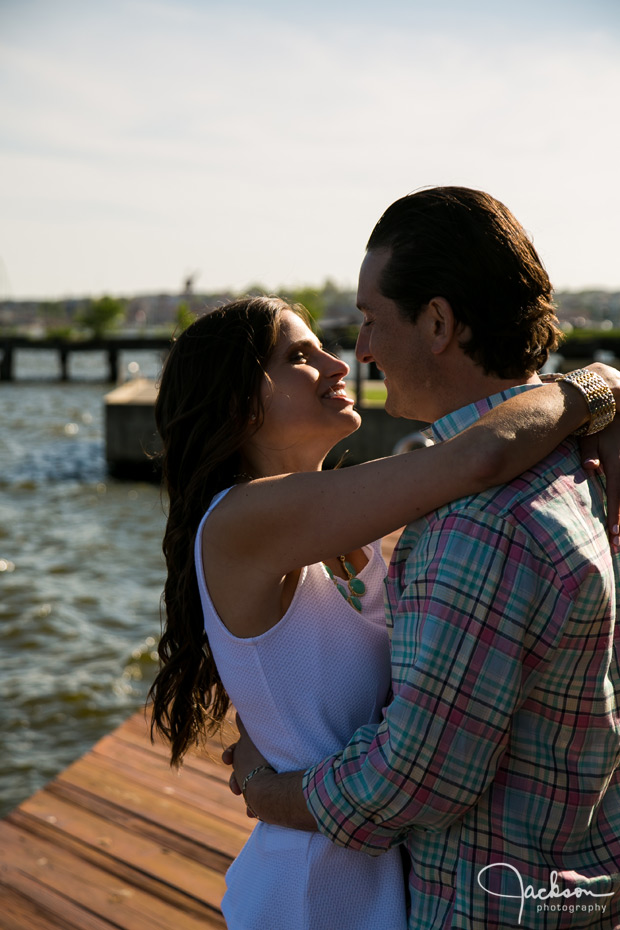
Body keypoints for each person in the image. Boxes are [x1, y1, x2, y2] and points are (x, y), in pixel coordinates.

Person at [226, 188, 620, 930]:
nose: (361, 350)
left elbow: (416, 779)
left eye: (371, 321)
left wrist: (265, 789)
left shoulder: (479, 523)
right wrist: (598, 387)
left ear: (438, 323)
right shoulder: (579, 468)